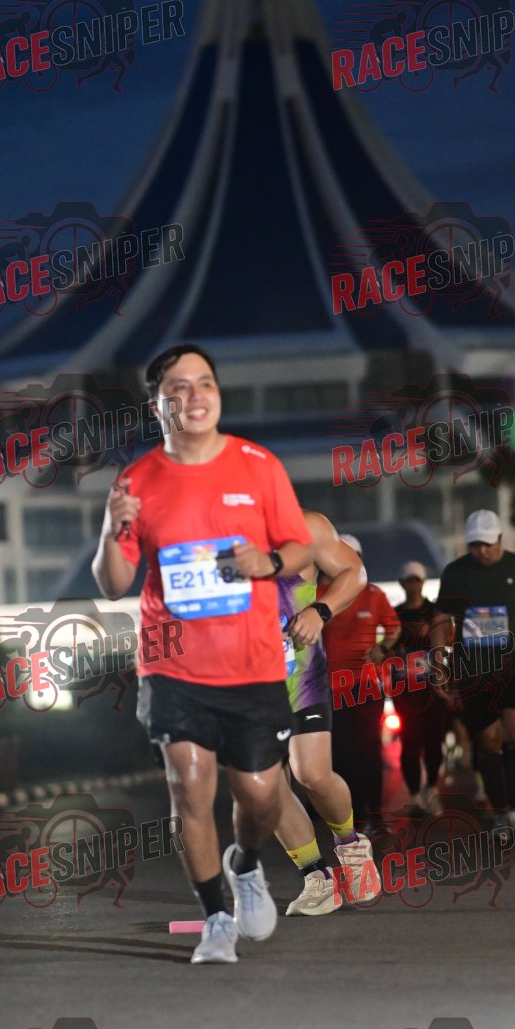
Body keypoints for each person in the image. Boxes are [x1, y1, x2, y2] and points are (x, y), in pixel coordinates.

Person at [92, 344, 314, 963]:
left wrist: (267, 562)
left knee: (261, 796)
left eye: (206, 383)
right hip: (173, 666)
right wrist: (112, 527)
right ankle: (217, 917)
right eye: (180, 388)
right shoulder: (136, 481)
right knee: (189, 788)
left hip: (253, 666)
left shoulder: (258, 466)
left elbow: (299, 546)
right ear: (156, 405)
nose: (195, 397)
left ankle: (245, 864)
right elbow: (113, 582)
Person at [429, 510, 515, 837]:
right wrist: (439, 664)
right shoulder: (455, 573)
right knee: (488, 740)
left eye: (488, 544)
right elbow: (441, 621)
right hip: (475, 671)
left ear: (500, 539)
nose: (482, 551)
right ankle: (499, 812)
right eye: (475, 545)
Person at [274, 512, 380, 915]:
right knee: (265, 789)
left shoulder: (304, 526)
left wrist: (320, 610)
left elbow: (355, 572)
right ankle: (316, 879)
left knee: (312, 775)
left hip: (299, 677)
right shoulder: (210, 537)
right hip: (244, 683)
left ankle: (351, 848)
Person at [323, 536, 402, 826]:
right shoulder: (319, 595)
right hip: (331, 688)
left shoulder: (374, 595)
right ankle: (353, 814)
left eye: (352, 555)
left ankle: (375, 813)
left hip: (366, 686)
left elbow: (394, 628)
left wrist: (383, 647)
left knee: (368, 748)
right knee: (340, 752)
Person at [392, 561, 452, 811]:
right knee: (411, 741)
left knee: (434, 740)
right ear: (401, 583)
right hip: (405, 687)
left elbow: (448, 641)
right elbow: (387, 646)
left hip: (433, 685)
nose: (413, 585)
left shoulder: (434, 612)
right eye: (409, 580)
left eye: (416, 580)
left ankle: (431, 787)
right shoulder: (394, 614)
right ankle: (415, 794)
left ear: (423, 582)